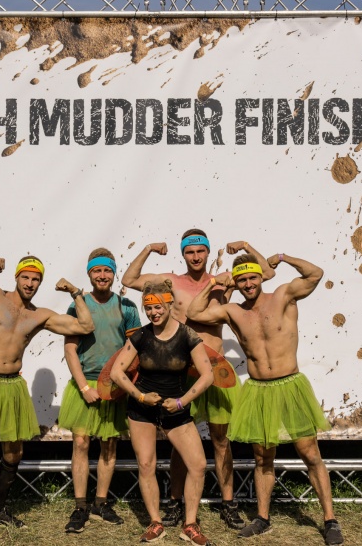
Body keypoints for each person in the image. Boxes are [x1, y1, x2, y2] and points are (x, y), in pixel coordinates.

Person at [186, 252, 345, 546]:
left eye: (252, 278)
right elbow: (194, 313)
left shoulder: (283, 296)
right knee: (262, 458)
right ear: (236, 283)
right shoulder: (233, 311)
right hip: (259, 389)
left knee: (310, 454)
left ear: (260, 277)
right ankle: (262, 518)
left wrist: (283, 257)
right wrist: (213, 283)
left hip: (290, 385)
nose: (248, 284)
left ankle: (330, 520)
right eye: (242, 280)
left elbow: (315, 273)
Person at [121, 231, 273, 529]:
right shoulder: (171, 282)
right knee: (179, 444)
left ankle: (228, 503)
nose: (195, 257)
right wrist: (149, 248)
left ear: (208, 252)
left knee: (221, 440)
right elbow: (129, 279)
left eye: (200, 251)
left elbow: (266, 272)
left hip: (215, 371)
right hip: (182, 373)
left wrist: (245, 246)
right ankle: (175, 502)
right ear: (183, 254)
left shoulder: (224, 281)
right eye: (190, 252)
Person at [0, 255, 95, 546]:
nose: (30, 283)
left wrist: (76, 293)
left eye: (36, 279)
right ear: (16, 277)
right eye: (26, 277)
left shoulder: (40, 315)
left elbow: (85, 327)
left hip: (12, 385)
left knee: (14, 454)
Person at [110, 280, 215, 545]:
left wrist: (181, 402)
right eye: (148, 308)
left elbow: (208, 376)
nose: (153, 313)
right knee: (146, 465)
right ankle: (156, 523)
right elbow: (116, 372)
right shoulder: (141, 336)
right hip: (141, 409)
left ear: (169, 304)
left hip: (175, 409)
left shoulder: (187, 335)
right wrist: (140, 396)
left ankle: (190, 525)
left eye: (157, 307)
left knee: (198, 465)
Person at [58, 249, 141, 533]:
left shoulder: (127, 306)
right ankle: (80, 506)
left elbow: (134, 350)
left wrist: (123, 383)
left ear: (114, 273)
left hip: (114, 386)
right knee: (81, 444)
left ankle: (101, 503)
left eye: (107, 270)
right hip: (85, 385)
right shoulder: (78, 306)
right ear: (89, 274)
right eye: (97, 271)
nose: (102, 276)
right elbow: (70, 350)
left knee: (109, 445)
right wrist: (83, 387)